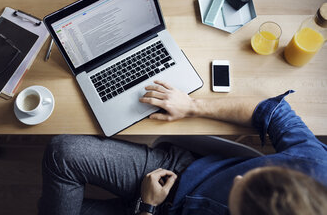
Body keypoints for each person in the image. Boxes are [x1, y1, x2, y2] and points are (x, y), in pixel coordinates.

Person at [38, 80, 327, 215]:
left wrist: (148, 208)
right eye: (255, 174)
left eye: (243, 193)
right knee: (62, 152)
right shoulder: (314, 166)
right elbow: (273, 112)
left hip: (151, 209)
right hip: (176, 173)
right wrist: (192, 106)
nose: (238, 177)